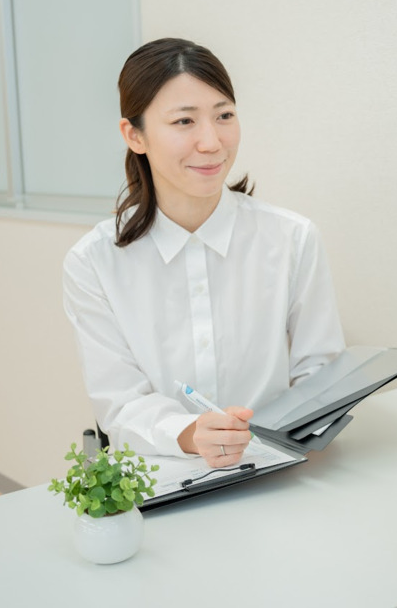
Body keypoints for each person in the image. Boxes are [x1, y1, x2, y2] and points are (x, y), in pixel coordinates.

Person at [63, 38, 345, 469]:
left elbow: (321, 376)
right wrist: (190, 434)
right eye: (184, 122)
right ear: (134, 135)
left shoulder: (292, 238)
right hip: (158, 477)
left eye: (224, 116)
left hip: (274, 471)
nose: (212, 142)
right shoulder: (93, 263)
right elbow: (118, 404)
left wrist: (312, 419)